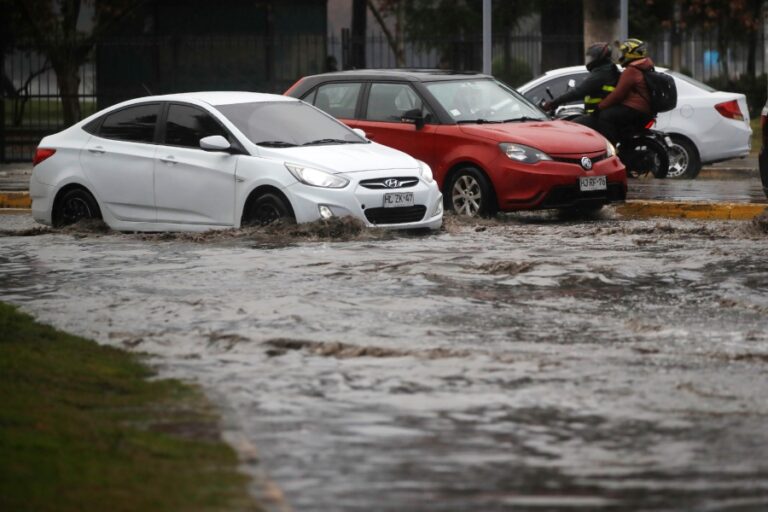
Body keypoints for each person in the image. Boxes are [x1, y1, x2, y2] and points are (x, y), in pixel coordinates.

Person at [541, 42, 619, 130]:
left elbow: (579, 92)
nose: (589, 60)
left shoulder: (601, 73)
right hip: (599, 114)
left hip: (599, 116)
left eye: (592, 57)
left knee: (570, 129)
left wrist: (554, 103)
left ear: (599, 58)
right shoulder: (607, 69)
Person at [596, 38, 655, 146]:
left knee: (605, 116)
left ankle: (610, 149)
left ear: (631, 53)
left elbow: (617, 95)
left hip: (636, 109)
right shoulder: (646, 66)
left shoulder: (631, 70)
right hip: (645, 109)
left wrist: (600, 106)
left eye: (624, 52)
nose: (622, 55)